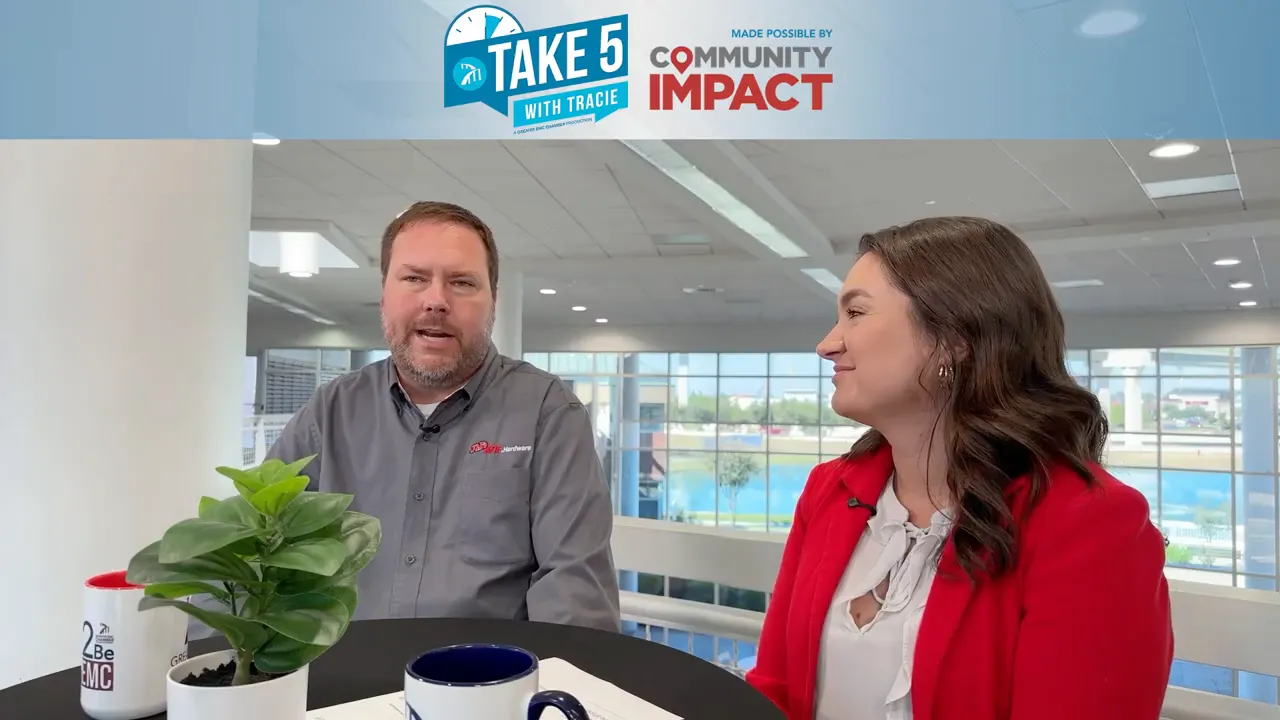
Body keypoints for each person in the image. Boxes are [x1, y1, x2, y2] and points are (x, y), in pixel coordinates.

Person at [745, 217, 1173, 720]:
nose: (827, 344)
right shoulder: (829, 490)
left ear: (953, 338)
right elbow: (772, 691)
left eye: (855, 313)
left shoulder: (1090, 524)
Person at [264, 200, 620, 632]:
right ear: (383, 296)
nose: (436, 301)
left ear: (493, 302)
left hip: (491, 688)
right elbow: (252, 549)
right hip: (343, 687)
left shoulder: (549, 414)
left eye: (462, 282)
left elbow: (574, 595)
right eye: (414, 278)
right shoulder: (330, 412)